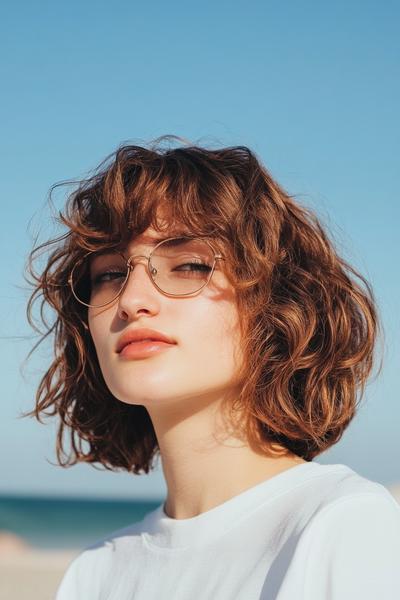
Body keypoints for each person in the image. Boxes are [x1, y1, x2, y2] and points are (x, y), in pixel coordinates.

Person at [25, 135, 400, 599]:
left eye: (188, 265)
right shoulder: (95, 572)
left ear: (276, 303)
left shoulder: (339, 524)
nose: (132, 300)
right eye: (110, 274)